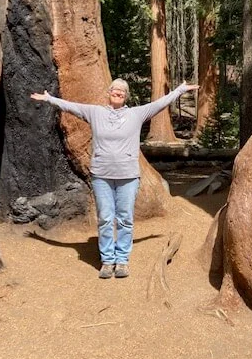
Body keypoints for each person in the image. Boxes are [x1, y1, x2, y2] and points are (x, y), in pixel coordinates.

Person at [31, 79, 198, 279]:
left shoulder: (136, 114)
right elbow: (72, 106)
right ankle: (108, 260)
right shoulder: (95, 113)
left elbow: (160, 104)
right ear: (109, 93)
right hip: (101, 176)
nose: (118, 93)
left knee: (125, 219)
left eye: (122, 91)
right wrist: (49, 99)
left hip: (128, 176)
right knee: (105, 218)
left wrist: (180, 90)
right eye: (114, 90)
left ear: (126, 96)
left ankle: (122, 260)